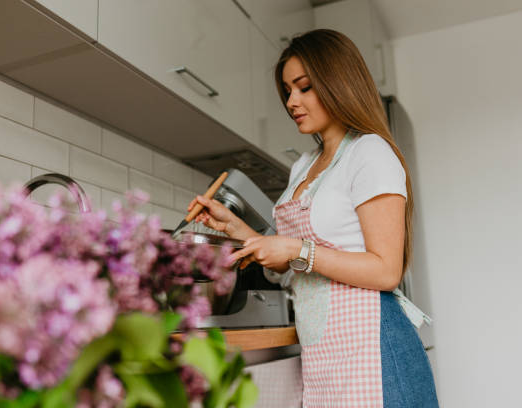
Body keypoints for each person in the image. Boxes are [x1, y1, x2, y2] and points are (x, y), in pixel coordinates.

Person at [188, 29, 438, 407]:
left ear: (338, 83)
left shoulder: (370, 152)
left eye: (304, 87)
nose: (292, 101)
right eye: (288, 91)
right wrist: (239, 231)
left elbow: (387, 270)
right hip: (325, 354)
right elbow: (293, 269)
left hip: (374, 348)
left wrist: (296, 249)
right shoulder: (303, 166)